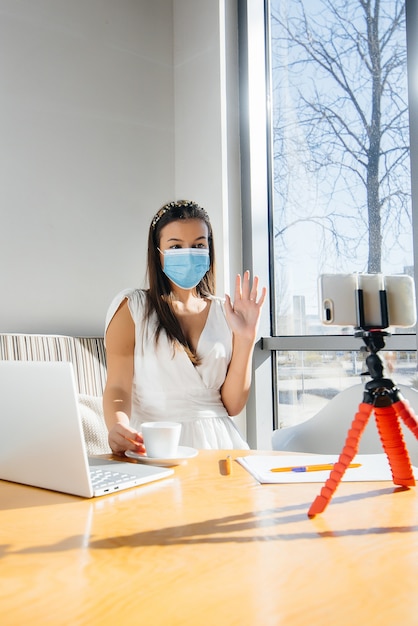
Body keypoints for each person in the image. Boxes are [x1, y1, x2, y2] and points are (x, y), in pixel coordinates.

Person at [103, 199, 266, 455]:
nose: (188, 253)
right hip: (156, 444)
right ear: (158, 252)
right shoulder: (132, 308)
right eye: (176, 246)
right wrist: (118, 426)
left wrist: (245, 338)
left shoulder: (226, 313)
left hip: (221, 446)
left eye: (198, 245)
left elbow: (232, 406)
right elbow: (117, 387)